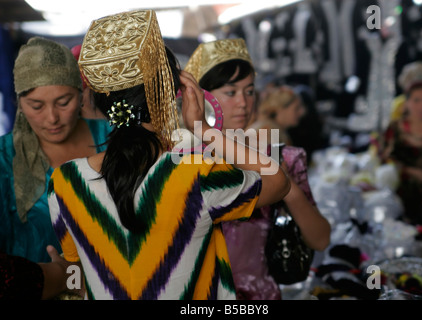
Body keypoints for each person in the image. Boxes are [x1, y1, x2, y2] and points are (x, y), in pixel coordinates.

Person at [47, 9, 290, 300]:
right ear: (169, 93)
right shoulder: (194, 174)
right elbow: (277, 181)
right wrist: (203, 129)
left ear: (101, 98)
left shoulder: (65, 181)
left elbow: (75, 274)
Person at [185, 38, 331, 300]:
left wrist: (286, 187)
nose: (243, 102)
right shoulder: (183, 162)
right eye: (230, 92)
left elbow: (320, 239)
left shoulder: (279, 156)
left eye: (250, 91)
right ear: (202, 98)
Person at [0, 37, 111, 264]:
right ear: (20, 103)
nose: (52, 118)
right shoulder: (3, 157)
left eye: (63, 102)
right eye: (36, 106)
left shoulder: (113, 139)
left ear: (81, 95)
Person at [380, 79, 422, 226]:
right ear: (407, 102)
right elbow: (385, 158)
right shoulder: (396, 128)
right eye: (416, 100)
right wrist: (410, 171)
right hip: (404, 191)